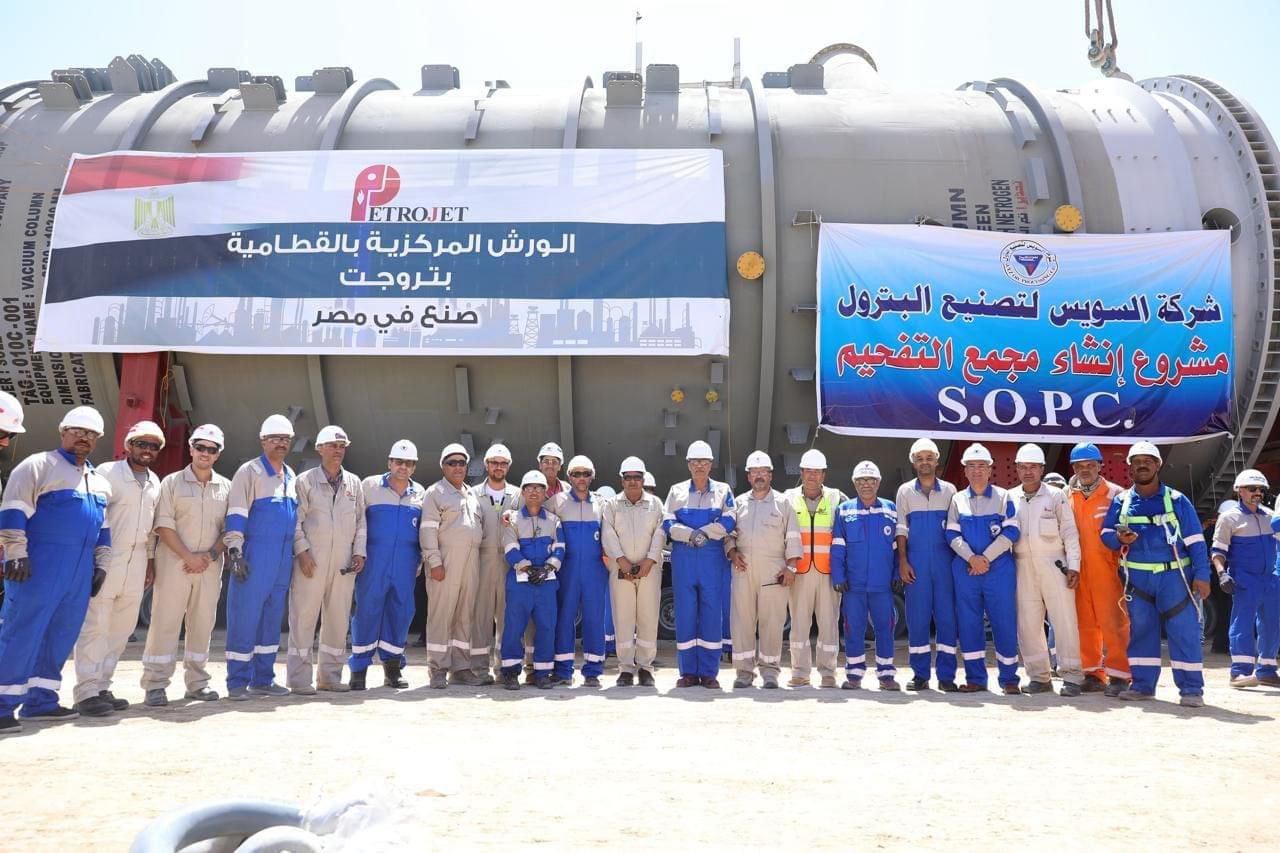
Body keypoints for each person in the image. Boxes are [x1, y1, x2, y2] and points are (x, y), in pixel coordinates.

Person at [0, 406, 111, 733]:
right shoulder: (37, 466)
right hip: (38, 567)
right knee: (22, 633)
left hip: (78, 572)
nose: (83, 438)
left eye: (90, 434)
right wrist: (15, 553)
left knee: (61, 635)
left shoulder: (99, 481)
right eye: (77, 431)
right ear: (63, 432)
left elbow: (104, 529)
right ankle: (2, 704)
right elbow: (13, 510)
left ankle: (41, 701)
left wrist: (102, 565)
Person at [1101, 441, 1210, 707]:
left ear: (1158, 465)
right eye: (1137, 461)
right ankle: (1142, 686)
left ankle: (1191, 690)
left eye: (1147, 461)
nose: (1142, 465)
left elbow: (1196, 540)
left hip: (1175, 579)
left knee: (1183, 632)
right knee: (1142, 633)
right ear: (1130, 467)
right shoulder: (1122, 501)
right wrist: (1119, 538)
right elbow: (1105, 535)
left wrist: (1202, 575)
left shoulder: (1177, 501)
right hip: (1138, 582)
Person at [72, 420, 163, 717]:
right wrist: (93, 559)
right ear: (128, 446)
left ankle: (102, 686)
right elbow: (93, 517)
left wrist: (150, 562)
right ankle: (85, 692)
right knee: (95, 625)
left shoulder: (155, 482)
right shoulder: (107, 473)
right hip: (107, 560)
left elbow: (151, 530)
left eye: (153, 446)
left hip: (137, 562)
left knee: (121, 629)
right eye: (141, 444)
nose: (147, 449)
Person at [140, 425, 230, 706]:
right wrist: (189, 557)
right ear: (191, 449)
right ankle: (155, 684)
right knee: (164, 623)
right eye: (200, 447)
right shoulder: (171, 483)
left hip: (209, 567)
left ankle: (197, 683)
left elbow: (230, 528)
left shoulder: (226, 487)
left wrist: (210, 556)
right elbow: (163, 525)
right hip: (174, 565)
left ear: (218, 454)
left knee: (202, 624)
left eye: (211, 449)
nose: (205, 453)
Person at [222, 414, 299, 700]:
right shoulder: (249, 472)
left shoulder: (290, 475)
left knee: (271, 619)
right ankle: (237, 682)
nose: (281, 443)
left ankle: (263, 679)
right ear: (263, 441)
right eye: (275, 439)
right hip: (255, 556)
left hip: (282, 558)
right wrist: (235, 551)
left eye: (285, 439)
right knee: (245, 617)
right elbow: (236, 513)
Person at [287, 425, 366, 694]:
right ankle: (299, 680)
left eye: (342, 446)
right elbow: (295, 521)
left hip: (343, 564)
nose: (338, 451)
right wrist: (302, 551)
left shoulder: (353, 483)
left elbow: (361, 522)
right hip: (312, 561)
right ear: (319, 449)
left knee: (337, 621)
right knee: (303, 619)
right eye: (333, 446)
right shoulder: (305, 482)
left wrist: (359, 552)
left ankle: (330, 677)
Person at [946, 443, 1022, 695]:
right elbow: (951, 534)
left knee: (1004, 622)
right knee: (969, 624)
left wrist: (985, 558)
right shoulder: (957, 499)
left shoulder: (1004, 497)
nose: (977, 471)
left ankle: (1009, 679)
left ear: (990, 469)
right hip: (966, 570)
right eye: (971, 466)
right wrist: (971, 558)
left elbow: (1012, 531)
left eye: (981, 466)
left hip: (998, 570)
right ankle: (976, 678)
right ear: (965, 471)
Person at [1011, 443, 1084, 697]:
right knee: (1028, 624)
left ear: (1042, 469)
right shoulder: (1010, 497)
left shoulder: (1055, 496)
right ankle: (1039, 677)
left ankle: (1072, 676)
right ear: (1017, 469)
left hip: (1055, 565)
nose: (1028, 472)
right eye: (1023, 467)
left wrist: (1074, 565)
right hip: (1022, 566)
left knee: (1064, 621)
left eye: (1033, 467)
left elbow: (1070, 532)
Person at [350, 440, 422, 690]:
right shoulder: (369, 486)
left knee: (400, 612)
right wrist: (358, 552)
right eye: (398, 462)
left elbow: (424, 532)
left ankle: (393, 669)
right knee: (367, 611)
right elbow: (358, 521)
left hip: (405, 563)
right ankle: (359, 670)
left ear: (414, 467)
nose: (403, 467)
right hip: (374, 560)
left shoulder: (420, 494)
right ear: (389, 462)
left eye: (409, 463)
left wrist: (420, 560)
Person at [664, 440, 735, 688]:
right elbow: (667, 522)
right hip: (684, 558)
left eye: (704, 462)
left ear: (711, 464)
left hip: (711, 559)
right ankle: (688, 673)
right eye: (695, 462)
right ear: (688, 465)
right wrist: (690, 535)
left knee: (711, 615)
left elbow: (730, 519)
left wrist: (704, 533)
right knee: (685, 614)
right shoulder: (676, 491)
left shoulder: (723, 490)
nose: (699, 466)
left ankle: (709, 673)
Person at [725, 451, 800, 689]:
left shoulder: (783, 503)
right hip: (743, 569)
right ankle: (744, 672)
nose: (759, 476)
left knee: (772, 623)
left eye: (763, 472)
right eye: (754, 472)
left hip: (773, 571)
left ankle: (770, 672)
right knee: (742, 621)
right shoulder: (738, 503)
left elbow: (793, 537)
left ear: (771, 475)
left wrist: (791, 567)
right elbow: (729, 534)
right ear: (748, 477)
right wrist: (732, 552)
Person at [1066, 442, 1131, 696]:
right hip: (1077, 570)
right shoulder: (1066, 497)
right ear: (1073, 468)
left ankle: (1120, 675)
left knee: (1114, 623)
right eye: (1079, 466)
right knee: (1084, 624)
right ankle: (1092, 674)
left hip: (1107, 569)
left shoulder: (1116, 495)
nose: (1085, 470)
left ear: (1100, 466)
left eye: (1090, 465)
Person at [895, 438, 960, 692]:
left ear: (936, 461)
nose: (925, 462)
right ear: (913, 463)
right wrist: (903, 561)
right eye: (920, 458)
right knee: (918, 619)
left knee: (947, 620)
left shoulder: (951, 491)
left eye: (929, 458)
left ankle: (947, 676)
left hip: (945, 562)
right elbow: (901, 528)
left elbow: (955, 528)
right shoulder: (904, 491)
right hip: (916, 564)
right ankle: (920, 674)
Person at [831, 461, 900, 690]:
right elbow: (838, 546)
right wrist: (838, 576)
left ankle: (886, 676)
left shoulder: (890, 509)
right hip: (854, 586)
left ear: (878, 483)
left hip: (882, 585)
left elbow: (898, 546)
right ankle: (854, 675)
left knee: (885, 628)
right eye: (861, 481)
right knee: (853, 629)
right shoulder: (844, 510)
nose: (866, 485)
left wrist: (897, 573)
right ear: (854, 484)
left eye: (871, 480)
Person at [421, 442, 485, 688]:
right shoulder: (435, 493)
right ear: (443, 466)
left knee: (465, 615)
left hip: (471, 562)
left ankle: (460, 667)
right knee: (441, 615)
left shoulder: (472, 494)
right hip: (446, 562)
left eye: (461, 463)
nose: (457, 467)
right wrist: (434, 562)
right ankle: (437, 669)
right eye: (452, 463)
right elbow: (428, 531)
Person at [783, 449, 847, 688]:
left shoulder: (836, 498)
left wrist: (843, 571)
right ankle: (799, 672)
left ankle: (828, 673)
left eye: (817, 471)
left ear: (824, 474)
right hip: (799, 571)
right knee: (799, 625)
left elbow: (846, 534)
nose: (812, 476)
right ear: (801, 473)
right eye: (808, 471)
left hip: (828, 573)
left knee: (829, 624)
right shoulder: (788, 498)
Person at [601, 457, 666, 687]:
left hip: (649, 571)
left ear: (643, 479)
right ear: (622, 480)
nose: (632, 482)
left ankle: (646, 668)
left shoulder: (655, 504)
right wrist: (622, 561)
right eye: (627, 477)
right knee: (623, 618)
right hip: (621, 571)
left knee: (648, 617)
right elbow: (608, 534)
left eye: (637, 477)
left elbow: (660, 533)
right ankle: (626, 668)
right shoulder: (612, 505)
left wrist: (649, 561)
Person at [1213, 469, 1280, 688]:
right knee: (1242, 624)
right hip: (1244, 579)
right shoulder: (1229, 518)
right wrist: (1222, 574)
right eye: (1252, 489)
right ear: (1239, 491)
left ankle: (1267, 671)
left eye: (1261, 489)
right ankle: (1239, 672)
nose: (1257, 493)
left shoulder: (1270, 516)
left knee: (1272, 625)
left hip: (1270, 579)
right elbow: (1218, 552)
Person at [499, 471, 564, 690]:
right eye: (529, 488)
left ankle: (542, 673)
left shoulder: (554, 521)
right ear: (523, 492)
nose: (534, 492)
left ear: (545, 493)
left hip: (546, 583)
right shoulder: (512, 519)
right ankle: (510, 673)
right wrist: (526, 567)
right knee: (513, 628)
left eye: (539, 488)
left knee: (546, 627)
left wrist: (547, 568)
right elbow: (510, 547)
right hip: (520, 584)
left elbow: (560, 547)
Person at [548, 454, 608, 687]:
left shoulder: (602, 504)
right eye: (576, 474)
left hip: (595, 569)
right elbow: (537, 519)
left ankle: (593, 671)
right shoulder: (556, 502)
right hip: (567, 569)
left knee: (595, 618)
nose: (581, 478)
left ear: (592, 476)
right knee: (564, 617)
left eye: (585, 474)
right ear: (569, 477)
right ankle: (563, 670)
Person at [470, 443, 521, 685]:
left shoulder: (518, 495)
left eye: (503, 463)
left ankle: (504, 668)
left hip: (510, 561)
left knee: (507, 617)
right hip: (482, 559)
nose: (498, 467)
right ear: (487, 465)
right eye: (494, 463)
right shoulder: (472, 494)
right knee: (480, 617)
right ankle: (479, 669)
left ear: (508, 466)